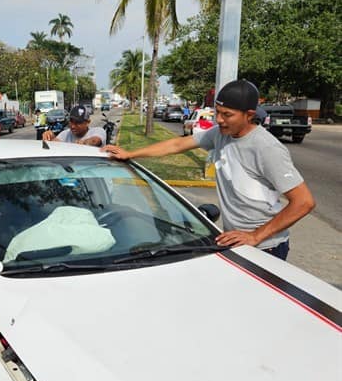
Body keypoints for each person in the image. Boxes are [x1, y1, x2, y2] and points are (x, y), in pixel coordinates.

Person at [102, 79, 315, 260]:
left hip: (266, 248)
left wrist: (256, 236)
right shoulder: (220, 133)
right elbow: (177, 145)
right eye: (218, 112)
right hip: (235, 240)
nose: (219, 119)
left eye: (227, 114)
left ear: (249, 115)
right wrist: (131, 154)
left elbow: (304, 202)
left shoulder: (266, 148)